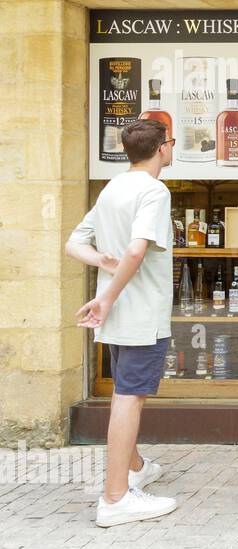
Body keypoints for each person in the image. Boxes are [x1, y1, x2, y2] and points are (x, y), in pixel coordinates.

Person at [65, 118, 180, 527]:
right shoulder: (154, 190)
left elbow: (74, 243)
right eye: (169, 143)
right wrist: (107, 296)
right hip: (139, 313)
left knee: (123, 392)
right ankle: (115, 498)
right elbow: (136, 250)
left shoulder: (113, 187)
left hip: (118, 316)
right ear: (163, 148)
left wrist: (101, 262)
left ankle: (135, 468)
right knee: (129, 397)